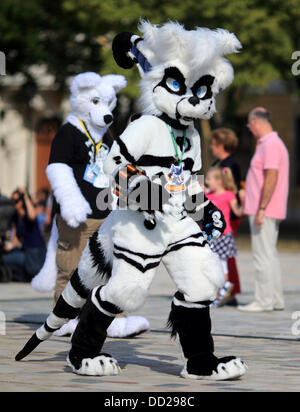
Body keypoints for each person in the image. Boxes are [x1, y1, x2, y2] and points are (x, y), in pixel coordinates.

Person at [238, 107, 289, 312]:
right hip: (266, 209)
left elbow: (271, 177)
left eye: (249, 125)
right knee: (270, 254)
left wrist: (261, 207)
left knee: (263, 256)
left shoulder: (270, 145)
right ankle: (275, 299)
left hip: (265, 210)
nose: (250, 129)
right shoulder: (271, 144)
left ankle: (264, 300)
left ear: (256, 122)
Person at [210, 128, 243, 305]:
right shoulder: (221, 162)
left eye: (214, 144)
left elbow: (232, 189)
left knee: (226, 255)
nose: (211, 147)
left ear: (221, 145)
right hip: (220, 214)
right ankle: (228, 288)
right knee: (224, 255)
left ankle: (231, 290)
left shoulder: (229, 164)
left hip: (228, 215)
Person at [205, 166, 244, 307]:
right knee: (213, 265)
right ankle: (217, 293)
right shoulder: (208, 196)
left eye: (209, 179)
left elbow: (238, 212)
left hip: (224, 236)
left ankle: (224, 289)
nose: (207, 182)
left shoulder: (228, 195)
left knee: (222, 265)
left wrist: (244, 201)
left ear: (219, 181)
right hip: (212, 236)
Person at [2, 188, 47, 282]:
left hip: (36, 252)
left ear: (22, 201)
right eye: (12, 200)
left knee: (32, 272)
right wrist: (8, 246)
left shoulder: (28, 214)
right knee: (5, 259)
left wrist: (26, 196)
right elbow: (15, 238)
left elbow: (33, 216)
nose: (14, 203)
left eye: (16, 200)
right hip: (25, 251)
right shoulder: (15, 217)